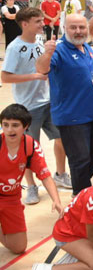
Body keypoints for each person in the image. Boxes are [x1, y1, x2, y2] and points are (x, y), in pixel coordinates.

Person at [1, 7, 71, 206]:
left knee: (61, 138)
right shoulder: (15, 47)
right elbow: (5, 77)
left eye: (42, 20)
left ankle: (61, 174)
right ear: (25, 24)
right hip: (28, 106)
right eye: (38, 21)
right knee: (30, 149)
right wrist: (35, 76)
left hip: (49, 101)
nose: (43, 24)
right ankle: (31, 186)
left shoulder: (40, 42)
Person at [37, 13, 93, 195]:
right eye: (73, 27)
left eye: (82, 27)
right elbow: (42, 69)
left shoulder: (86, 47)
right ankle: (80, 195)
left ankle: (81, 186)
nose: (78, 31)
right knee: (79, 159)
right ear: (65, 29)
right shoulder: (58, 50)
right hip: (72, 116)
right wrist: (47, 53)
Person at [0, 104, 63, 254]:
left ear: (26, 126)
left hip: (11, 198)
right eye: (5, 125)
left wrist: (56, 200)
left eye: (15, 125)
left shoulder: (31, 146)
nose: (9, 130)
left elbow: (45, 176)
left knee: (18, 247)